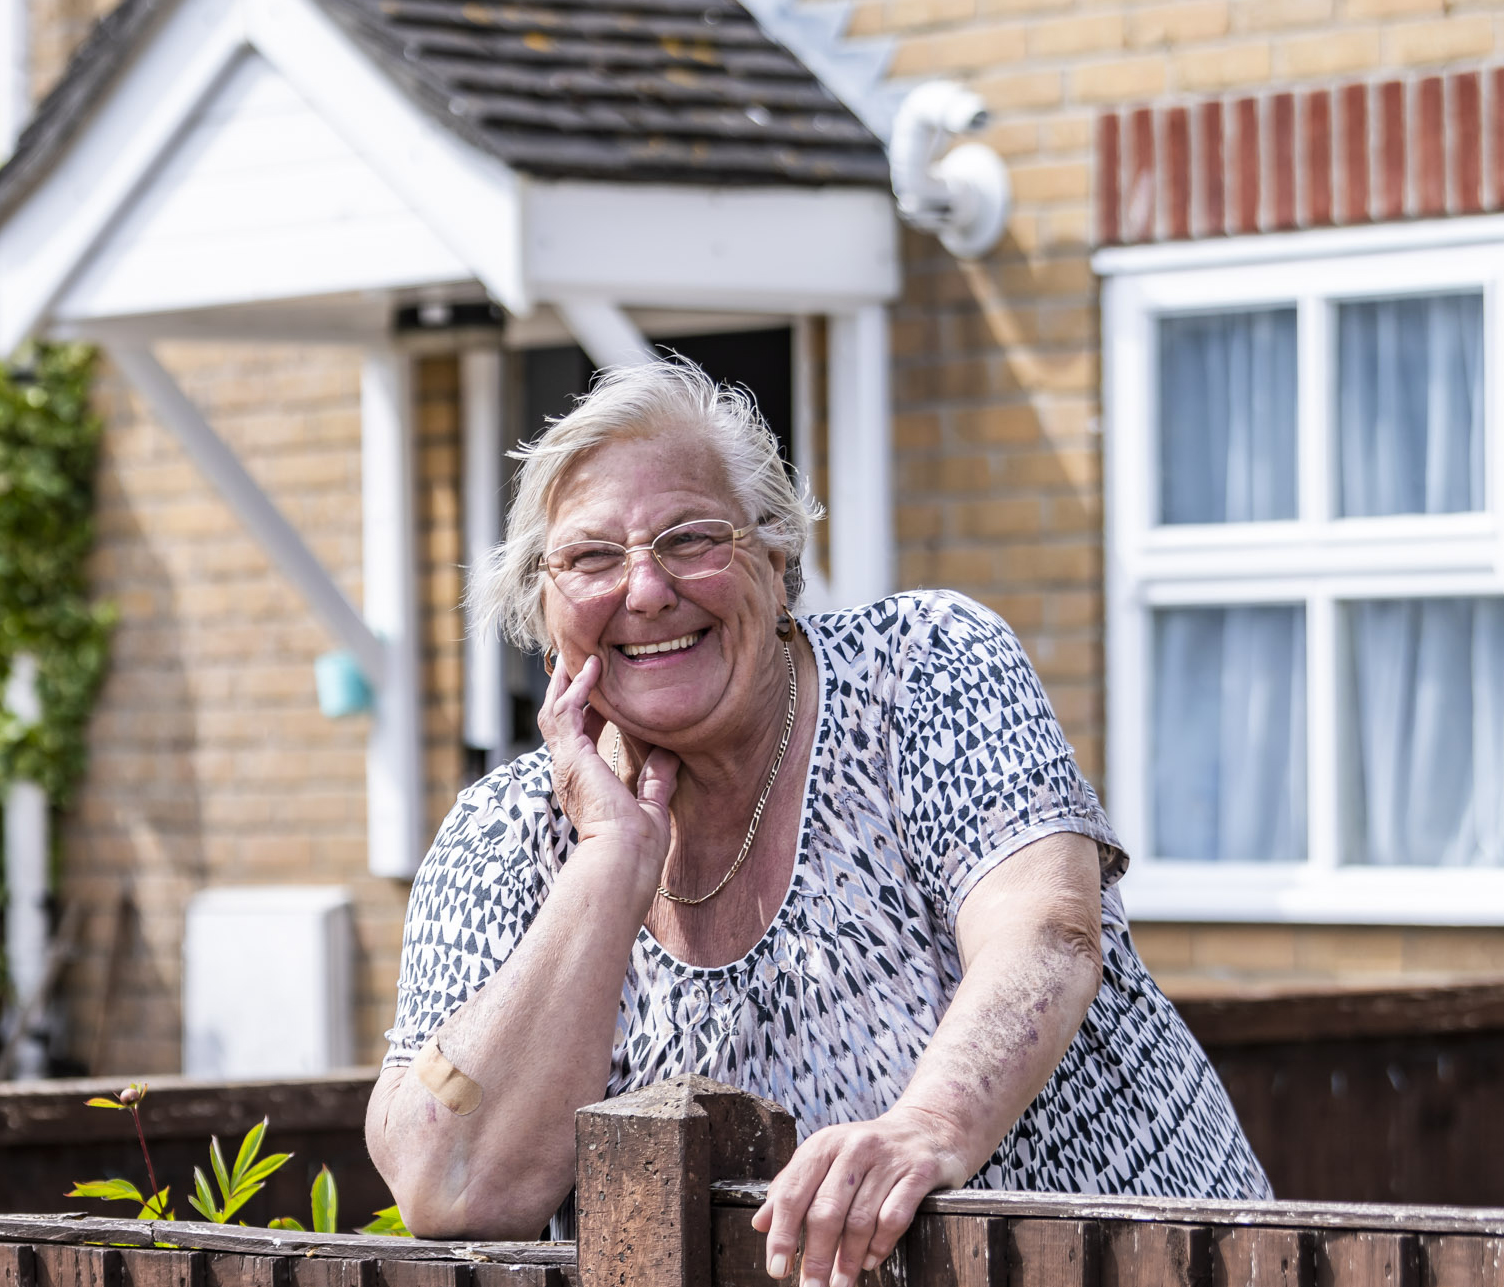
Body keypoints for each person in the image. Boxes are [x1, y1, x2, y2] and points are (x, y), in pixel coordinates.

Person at [364, 357, 1266, 1285]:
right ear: (544, 609)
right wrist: (607, 864)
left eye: (690, 539)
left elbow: (1047, 933)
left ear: (779, 556)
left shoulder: (921, 667)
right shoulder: (504, 829)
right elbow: (448, 1180)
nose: (644, 590)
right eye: (592, 558)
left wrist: (926, 1126)